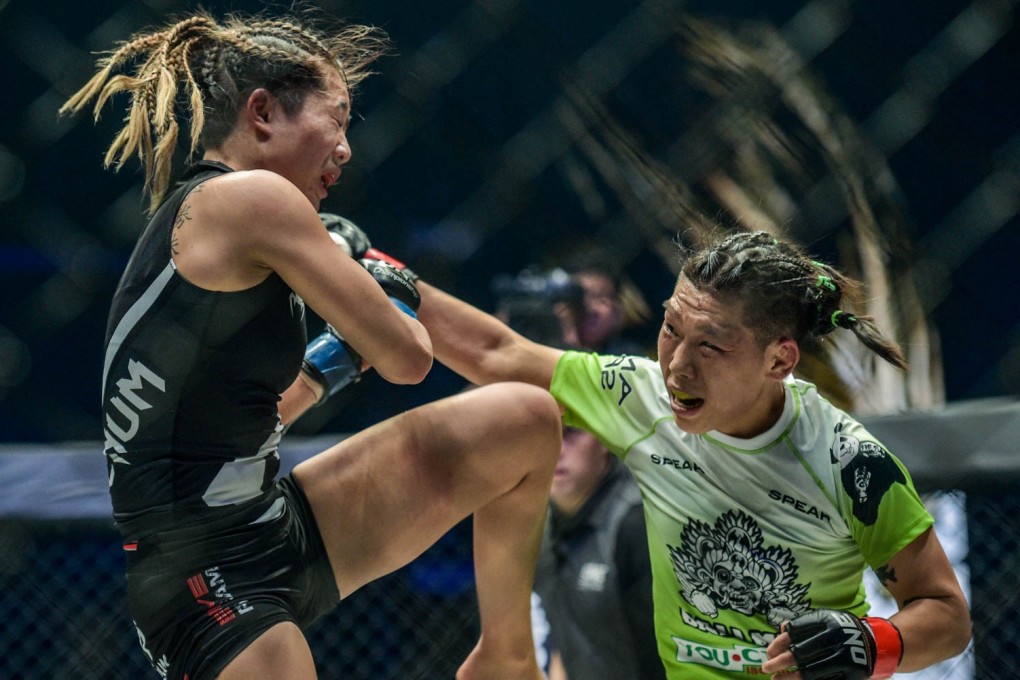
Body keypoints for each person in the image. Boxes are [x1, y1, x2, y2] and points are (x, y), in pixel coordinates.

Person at [61, 11, 561, 680]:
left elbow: (237, 428)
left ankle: (506, 657)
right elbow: (409, 360)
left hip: (270, 520)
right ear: (262, 112)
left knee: (522, 420)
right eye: (338, 117)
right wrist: (384, 289)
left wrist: (326, 366)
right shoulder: (251, 201)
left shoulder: (253, 234)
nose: (348, 147)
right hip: (196, 575)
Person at [370, 229, 972, 678]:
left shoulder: (849, 461)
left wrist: (873, 644)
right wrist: (367, 266)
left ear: (779, 360)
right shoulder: (640, 395)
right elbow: (497, 352)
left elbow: (945, 613)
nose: (677, 366)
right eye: (671, 330)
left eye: (711, 345)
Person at [537, 424, 664, 680]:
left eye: (571, 435)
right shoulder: (535, 527)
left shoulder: (639, 523)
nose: (556, 450)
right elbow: (562, 636)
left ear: (606, 439)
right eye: (544, 435)